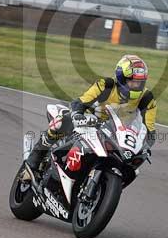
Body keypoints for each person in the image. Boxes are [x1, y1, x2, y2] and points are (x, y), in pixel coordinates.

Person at [25, 54, 157, 172]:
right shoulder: (106, 85)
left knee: (130, 167)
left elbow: (150, 130)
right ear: (121, 77)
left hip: (117, 133)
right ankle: (33, 160)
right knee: (60, 122)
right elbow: (80, 102)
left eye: (139, 82)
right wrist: (77, 115)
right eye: (132, 81)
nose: (136, 85)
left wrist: (145, 146)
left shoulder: (147, 98)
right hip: (89, 121)